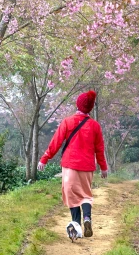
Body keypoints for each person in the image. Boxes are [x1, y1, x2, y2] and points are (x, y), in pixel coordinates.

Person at [37, 90, 108, 241]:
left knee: (71, 195)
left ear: (78, 104)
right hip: (87, 166)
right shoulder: (95, 126)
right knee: (86, 195)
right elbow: (99, 149)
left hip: (70, 165)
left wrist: (44, 158)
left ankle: (76, 224)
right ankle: (87, 218)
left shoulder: (68, 122)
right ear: (89, 108)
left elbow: (56, 142)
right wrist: (103, 167)